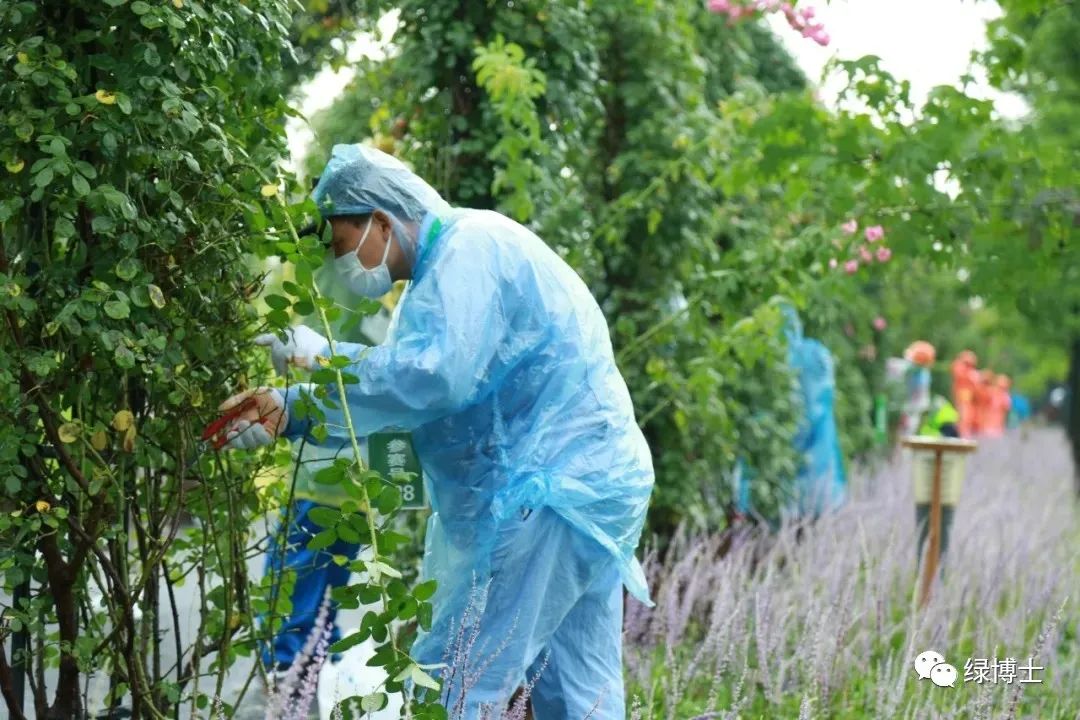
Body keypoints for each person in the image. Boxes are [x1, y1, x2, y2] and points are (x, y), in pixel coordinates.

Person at [213, 145, 655, 718]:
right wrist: (290, 410)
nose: (341, 262)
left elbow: (432, 378)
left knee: (458, 680)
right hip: (582, 493)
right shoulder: (443, 275)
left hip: (546, 497)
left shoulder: (470, 249)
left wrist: (324, 359)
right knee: (577, 694)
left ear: (381, 220)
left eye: (342, 243)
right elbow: (412, 402)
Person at [950, 351, 979, 437]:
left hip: (968, 395)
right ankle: (961, 432)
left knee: (966, 414)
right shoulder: (959, 367)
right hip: (962, 394)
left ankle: (964, 432)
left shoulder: (971, 372)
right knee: (963, 414)